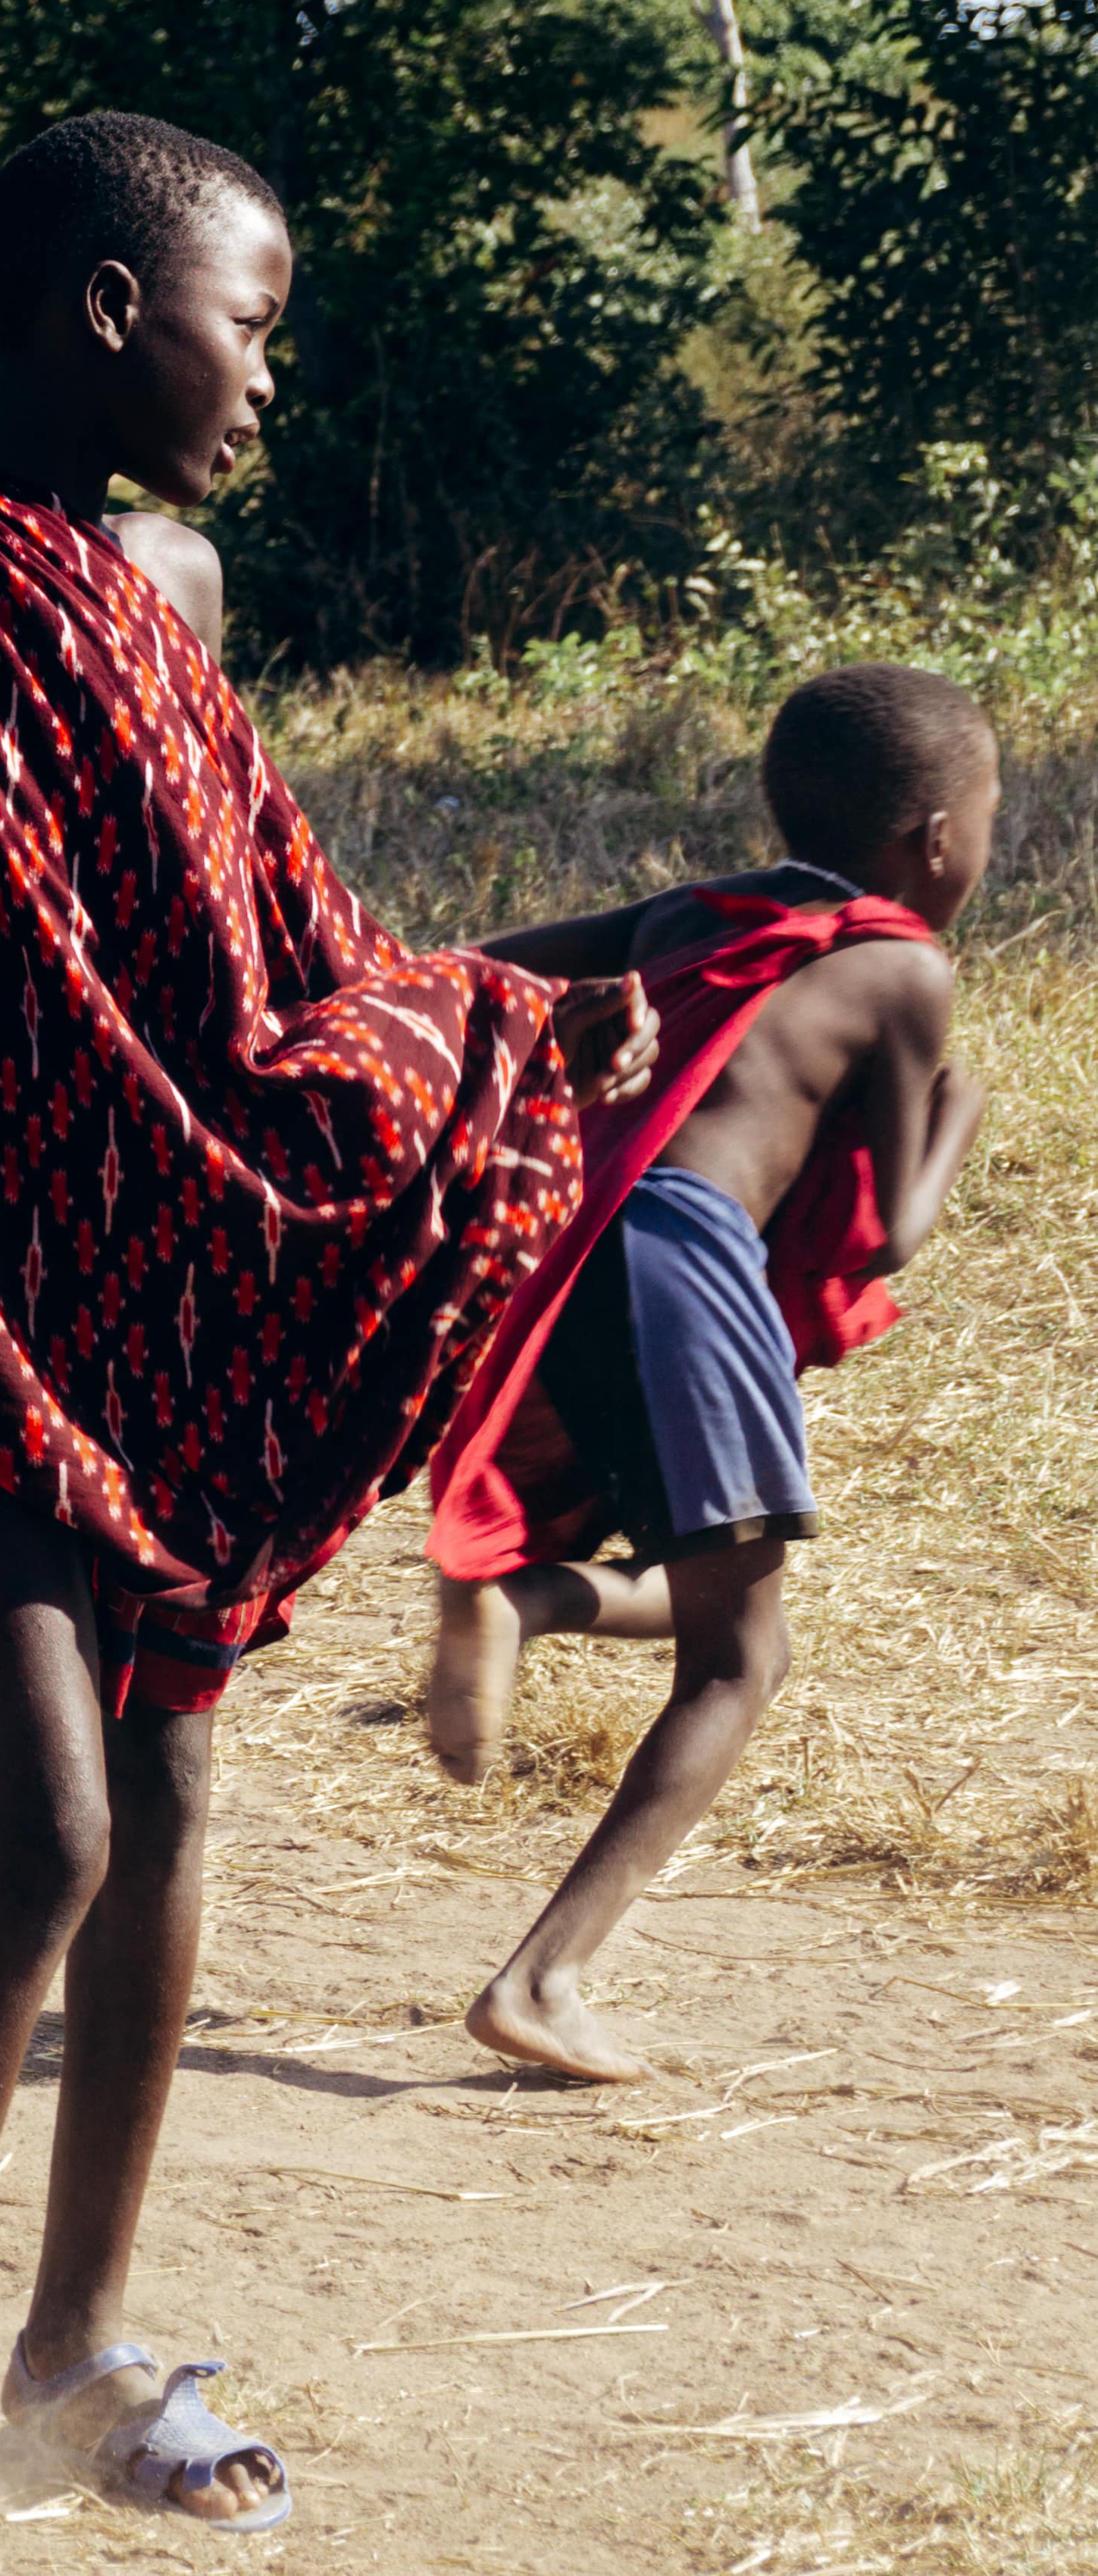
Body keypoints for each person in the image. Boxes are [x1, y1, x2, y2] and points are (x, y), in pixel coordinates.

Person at [0, 111, 658, 2576]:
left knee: (171, 1797)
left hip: (176, 1281)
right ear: (107, 309)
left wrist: (509, 1019)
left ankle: (75, 2346)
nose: (266, 376)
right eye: (252, 322)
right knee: (45, 1825)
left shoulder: (159, 597)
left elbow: (276, 956)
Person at [423, 665, 996, 2083]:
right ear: (936, 839)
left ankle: (526, 1598)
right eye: (991, 821)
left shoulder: (705, 913)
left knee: (710, 1583)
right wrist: (958, 1118)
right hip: (686, 1259)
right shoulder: (906, 969)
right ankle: (543, 1979)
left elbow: (483, 968)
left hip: (571, 1248)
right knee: (744, 1656)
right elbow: (892, 1232)